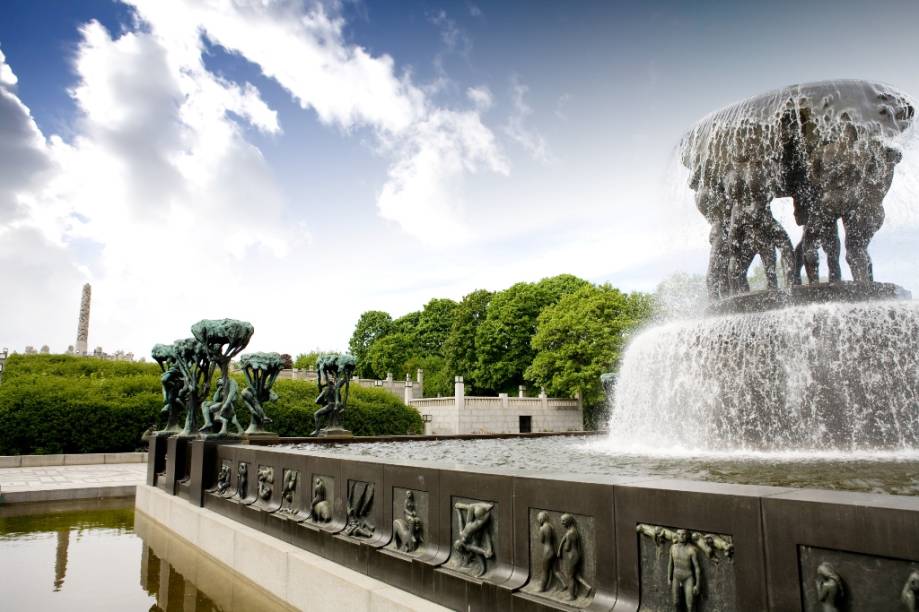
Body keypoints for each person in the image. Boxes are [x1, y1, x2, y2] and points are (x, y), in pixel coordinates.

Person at [668, 529, 701, 612]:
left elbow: (697, 568)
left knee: (689, 604)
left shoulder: (691, 550)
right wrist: (669, 578)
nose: (681, 536)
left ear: (687, 536)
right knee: (676, 602)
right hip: (676, 576)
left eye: (683, 534)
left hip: (688, 577)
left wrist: (697, 584)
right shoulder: (672, 548)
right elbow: (670, 564)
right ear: (676, 535)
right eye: (679, 534)